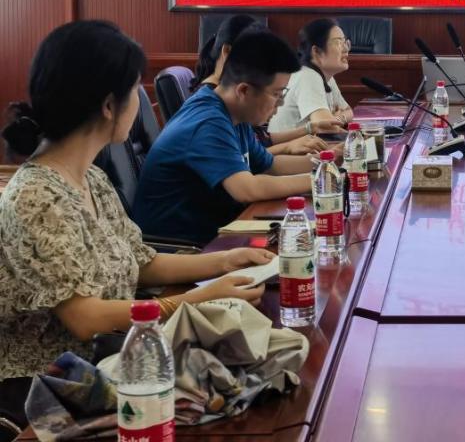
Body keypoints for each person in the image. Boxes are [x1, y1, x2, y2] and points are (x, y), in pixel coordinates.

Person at [0, 21, 268, 402]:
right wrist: (199, 300)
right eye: (134, 89)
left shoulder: (91, 177)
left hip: (116, 356)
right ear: (109, 106)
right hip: (50, 386)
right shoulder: (35, 197)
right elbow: (86, 318)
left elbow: (141, 262)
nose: (140, 100)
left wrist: (225, 261)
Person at [135, 29, 319, 244]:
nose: (281, 103)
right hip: (184, 247)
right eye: (277, 94)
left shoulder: (235, 113)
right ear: (244, 91)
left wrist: (330, 162)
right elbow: (247, 189)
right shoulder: (207, 122)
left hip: (219, 231)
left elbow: (269, 165)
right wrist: (318, 181)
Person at [195, 15, 342, 154]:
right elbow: (245, 158)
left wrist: (310, 128)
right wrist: (288, 147)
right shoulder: (216, 108)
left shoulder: (233, 100)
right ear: (227, 51)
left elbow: (262, 140)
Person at [269, 18, 354, 134]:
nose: (346, 49)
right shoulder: (308, 76)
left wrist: (339, 118)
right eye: (338, 43)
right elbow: (326, 127)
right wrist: (335, 120)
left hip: (310, 143)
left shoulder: (326, 76)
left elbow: (349, 111)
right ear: (316, 51)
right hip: (290, 144)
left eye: (345, 42)